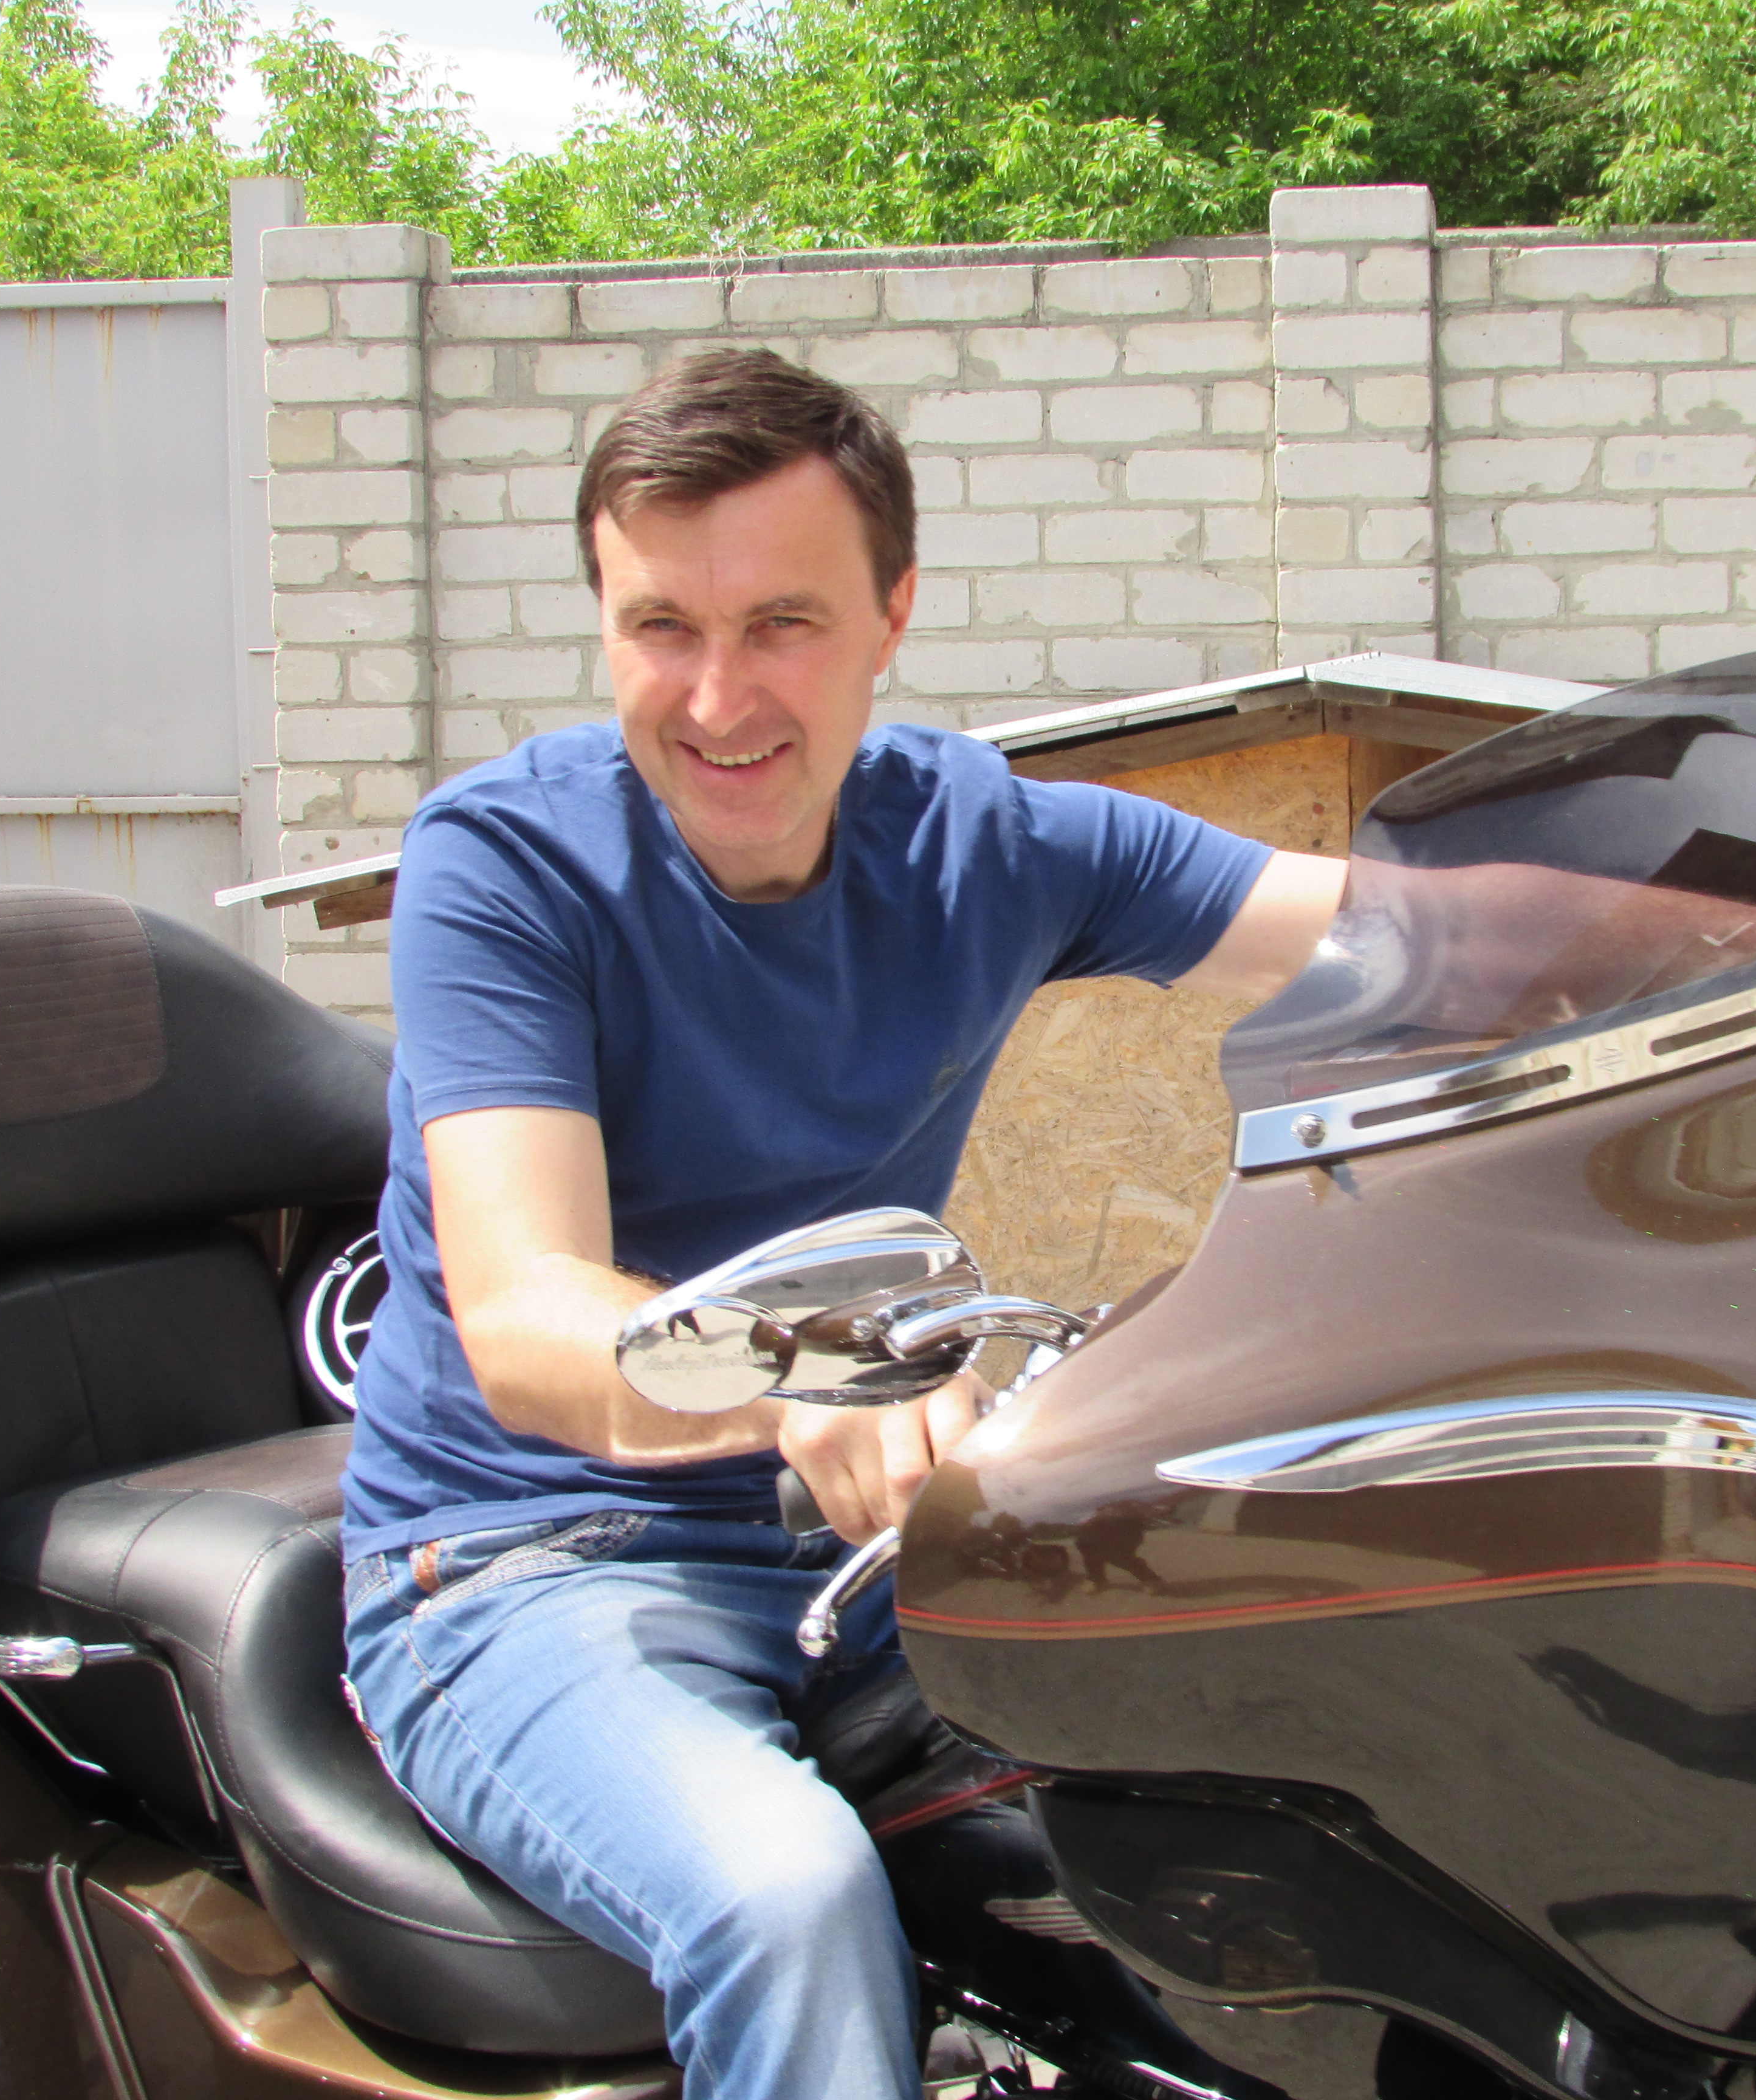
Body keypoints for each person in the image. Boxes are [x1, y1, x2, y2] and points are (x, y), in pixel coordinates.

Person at [335, 346, 1349, 2100]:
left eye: (781, 624)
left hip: (871, 1552)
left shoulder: (984, 843)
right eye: (662, 626)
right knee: (787, 1899)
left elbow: (1397, 933)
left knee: (1308, 1756)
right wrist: (808, 1378)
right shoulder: (506, 868)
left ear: (893, 616)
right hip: (521, 1567)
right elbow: (524, 1318)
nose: (718, 695)